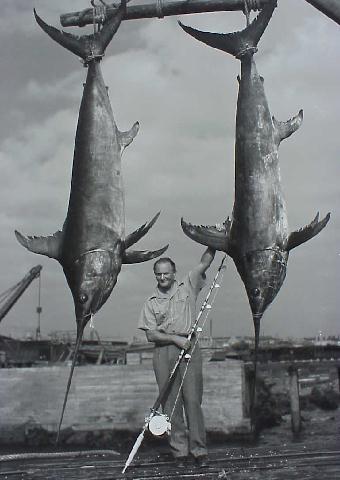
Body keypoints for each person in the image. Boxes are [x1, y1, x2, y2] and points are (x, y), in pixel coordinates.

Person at [138, 247, 215, 468]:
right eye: (158, 274)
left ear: (174, 273)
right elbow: (151, 334)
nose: (163, 277)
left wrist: (215, 243)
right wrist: (174, 339)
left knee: (193, 401)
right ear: (156, 276)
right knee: (171, 405)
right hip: (164, 352)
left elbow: (205, 262)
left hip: (190, 348)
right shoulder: (150, 302)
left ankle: (199, 450)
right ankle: (179, 453)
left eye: (166, 273)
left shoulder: (188, 285)